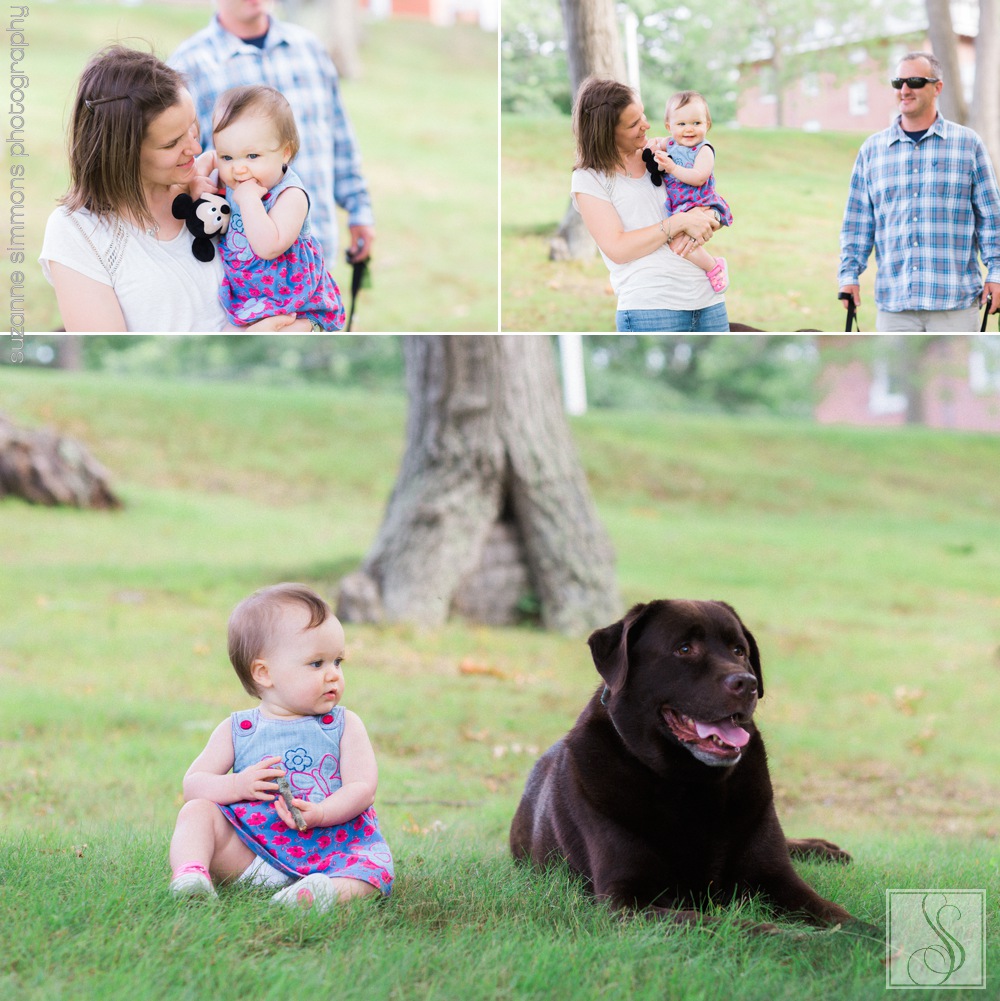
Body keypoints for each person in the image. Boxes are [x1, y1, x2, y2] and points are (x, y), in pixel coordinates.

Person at [39, 46, 304, 332]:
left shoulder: (220, 186)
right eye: (171, 143)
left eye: (192, 127)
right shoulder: (79, 232)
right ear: (121, 154)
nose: (196, 148)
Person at [168, 583, 394, 912]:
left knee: (374, 872)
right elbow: (193, 785)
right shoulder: (239, 729)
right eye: (317, 664)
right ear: (264, 673)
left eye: (338, 662)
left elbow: (363, 788)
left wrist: (322, 813)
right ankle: (191, 875)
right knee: (196, 812)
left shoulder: (344, 725)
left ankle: (319, 894)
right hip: (252, 852)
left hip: (334, 851)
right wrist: (236, 784)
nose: (333, 675)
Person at [169, 0, 373, 268]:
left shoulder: (309, 49)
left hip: (316, 253)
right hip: (244, 266)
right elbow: (179, 160)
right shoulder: (188, 65)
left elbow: (338, 137)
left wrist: (359, 211)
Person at [838, 52, 1000, 331]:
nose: (904, 90)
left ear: (937, 87)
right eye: (898, 82)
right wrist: (849, 275)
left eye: (914, 81)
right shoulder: (872, 151)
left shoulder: (968, 144)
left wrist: (996, 273)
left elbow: (992, 219)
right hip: (894, 308)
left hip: (955, 306)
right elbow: (857, 223)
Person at [571, 77, 726, 332]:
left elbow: (705, 200)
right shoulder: (589, 179)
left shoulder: (665, 152)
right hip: (651, 308)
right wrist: (679, 223)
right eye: (634, 124)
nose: (646, 125)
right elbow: (618, 248)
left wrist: (710, 218)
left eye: (642, 114)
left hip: (708, 301)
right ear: (606, 132)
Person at [204, 85, 345, 330]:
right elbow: (208, 159)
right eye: (228, 157)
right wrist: (199, 178)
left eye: (252, 156)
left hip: (292, 299)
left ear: (285, 153)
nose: (238, 169)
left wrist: (249, 201)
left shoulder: (290, 196)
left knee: (291, 330)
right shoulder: (230, 177)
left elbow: (268, 247)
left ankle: (310, 327)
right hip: (250, 298)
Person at [650, 90, 732, 294]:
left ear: (707, 125)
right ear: (669, 127)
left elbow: (699, 177)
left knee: (697, 232)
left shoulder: (704, 149)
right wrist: (652, 146)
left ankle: (714, 267)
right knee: (677, 243)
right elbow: (654, 143)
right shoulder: (669, 143)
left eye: (697, 123)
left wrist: (672, 168)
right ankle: (707, 264)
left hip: (703, 203)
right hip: (681, 209)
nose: (689, 129)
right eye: (681, 124)